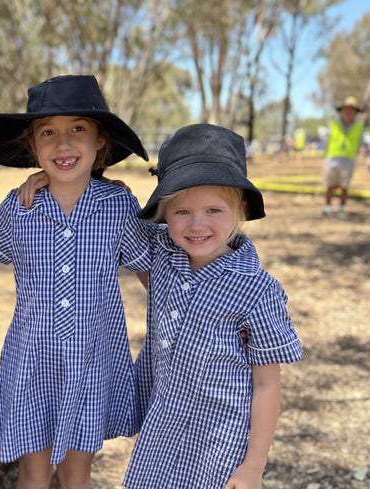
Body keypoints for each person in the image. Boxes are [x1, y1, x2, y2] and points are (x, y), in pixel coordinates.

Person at [0, 74, 151, 489]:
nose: (63, 143)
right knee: (34, 474)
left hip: (94, 362)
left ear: (100, 142)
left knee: (77, 474)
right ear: (32, 147)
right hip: (33, 363)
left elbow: (153, 275)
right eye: (48, 133)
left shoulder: (119, 205)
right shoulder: (19, 208)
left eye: (78, 129)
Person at [124, 124, 303, 489]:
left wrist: (253, 467)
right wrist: (49, 180)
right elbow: (111, 217)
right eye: (182, 212)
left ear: (240, 208)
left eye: (213, 210)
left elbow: (267, 385)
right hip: (163, 432)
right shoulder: (162, 255)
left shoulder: (256, 290)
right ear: (164, 213)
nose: (197, 224)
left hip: (221, 445)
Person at [323, 95, 365, 218]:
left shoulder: (358, 127)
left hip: (348, 161)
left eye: (352, 110)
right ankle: (327, 208)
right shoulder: (334, 125)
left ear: (355, 112)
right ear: (342, 110)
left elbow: (360, 144)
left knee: (345, 187)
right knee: (329, 186)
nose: (348, 112)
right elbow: (326, 140)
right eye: (346, 109)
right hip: (332, 160)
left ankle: (342, 209)